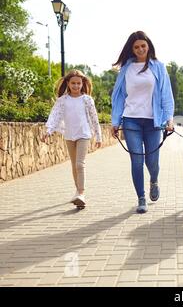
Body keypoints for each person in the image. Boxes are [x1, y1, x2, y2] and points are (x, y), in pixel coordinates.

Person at [111, 30, 175, 214]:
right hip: (131, 120)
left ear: (149, 46)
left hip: (153, 121)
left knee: (152, 161)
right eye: (137, 47)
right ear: (132, 49)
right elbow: (118, 96)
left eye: (143, 46)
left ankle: (154, 180)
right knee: (136, 160)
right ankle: (141, 197)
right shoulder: (126, 69)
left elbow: (166, 96)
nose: (140, 49)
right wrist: (115, 121)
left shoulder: (158, 67)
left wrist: (168, 119)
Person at [42, 69, 102, 209]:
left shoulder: (87, 100)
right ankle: (78, 192)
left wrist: (98, 136)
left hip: (83, 134)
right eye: (73, 83)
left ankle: (81, 193)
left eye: (79, 83)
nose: (76, 86)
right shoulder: (62, 101)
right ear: (68, 83)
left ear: (82, 84)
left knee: (80, 164)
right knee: (74, 165)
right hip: (69, 135)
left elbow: (94, 118)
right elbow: (55, 116)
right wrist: (48, 131)